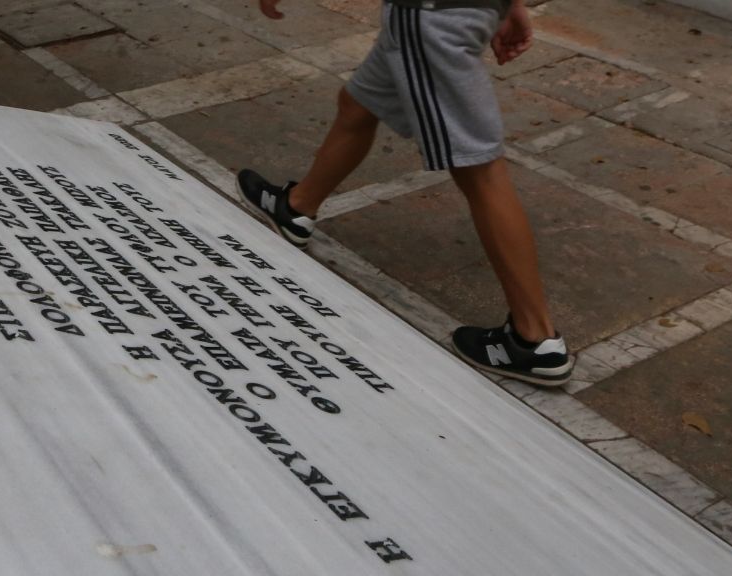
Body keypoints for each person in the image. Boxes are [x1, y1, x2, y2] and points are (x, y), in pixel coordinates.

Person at [238, 0, 573, 387]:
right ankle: (296, 207)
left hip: (430, 16)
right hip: (443, 13)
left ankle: (534, 339)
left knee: (480, 171)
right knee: (358, 104)